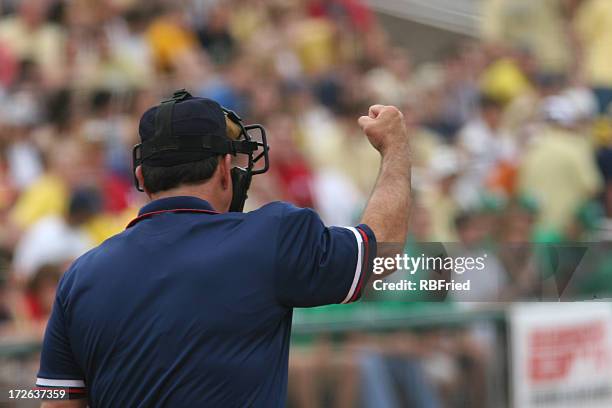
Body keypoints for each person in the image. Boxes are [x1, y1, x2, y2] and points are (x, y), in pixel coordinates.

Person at [36, 90, 411, 407]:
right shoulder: (272, 233)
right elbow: (383, 252)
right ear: (223, 169)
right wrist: (394, 148)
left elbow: (57, 400)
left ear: (141, 178)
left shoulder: (80, 275)